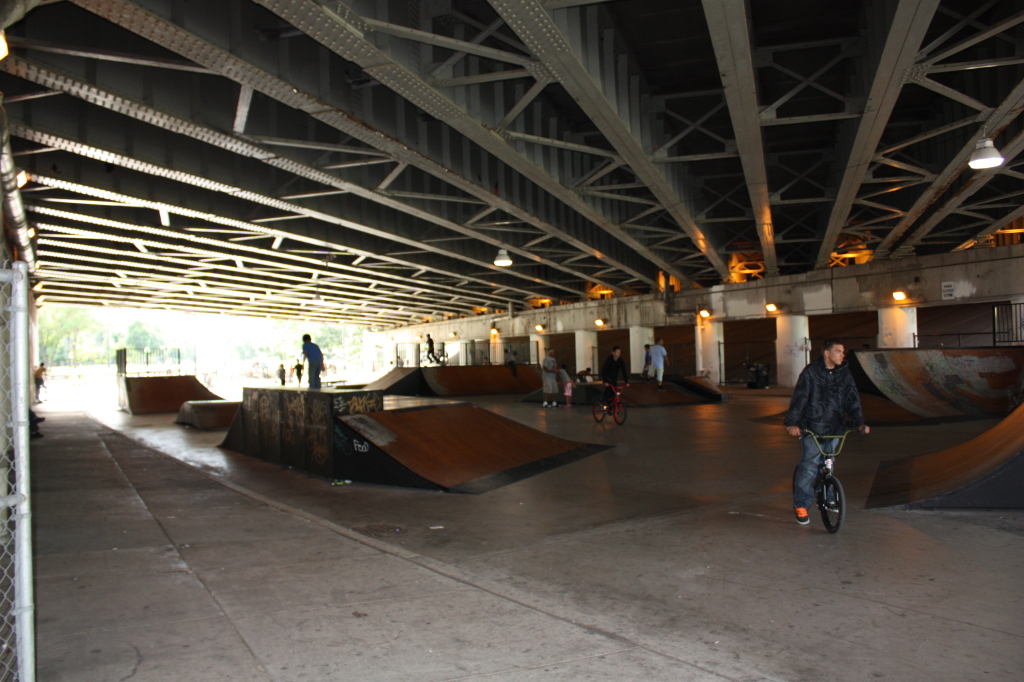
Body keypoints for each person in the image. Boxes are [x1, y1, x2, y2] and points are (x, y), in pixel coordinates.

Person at [785, 338, 870, 526]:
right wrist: (792, 423)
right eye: (839, 351)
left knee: (829, 465)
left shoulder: (844, 373)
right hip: (812, 427)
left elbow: (852, 399)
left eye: (843, 351)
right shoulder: (811, 372)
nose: (842, 355)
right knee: (808, 467)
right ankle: (801, 504)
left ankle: (829, 497)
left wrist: (859, 423)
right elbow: (800, 398)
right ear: (827, 353)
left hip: (835, 427)